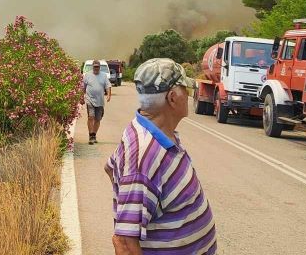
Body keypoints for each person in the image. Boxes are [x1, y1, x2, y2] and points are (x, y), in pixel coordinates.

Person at [104, 58, 217, 254]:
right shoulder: (145, 155)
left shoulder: (148, 130)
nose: (189, 97)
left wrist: (129, 199)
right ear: (172, 98)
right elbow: (123, 243)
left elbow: (110, 167)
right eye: (186, 91)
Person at [83, 60, 112, 144]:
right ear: (93, 66)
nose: (96, 68)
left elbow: (108, 86)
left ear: (100, 67)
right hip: (90, 100)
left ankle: (94, 135)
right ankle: (91, 135)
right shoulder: (87, 75)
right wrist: (82, 96)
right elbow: (83, 87)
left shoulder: (103, 76)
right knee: (90, 117)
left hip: (100, 101)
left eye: (97, 67)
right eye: (95, 66)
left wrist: (109, 95)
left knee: (97, 119)